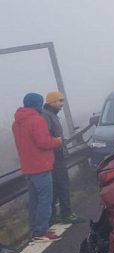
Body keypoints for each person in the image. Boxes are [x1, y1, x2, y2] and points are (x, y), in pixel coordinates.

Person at [12, 93, 64, 242]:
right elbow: (43, 143)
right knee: (45, 200)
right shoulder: (37, 120)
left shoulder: (17, 123)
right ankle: (41, 231)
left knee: (34, 200)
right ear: (38, 104)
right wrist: (57, 141)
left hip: (28, 167)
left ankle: (36, 228)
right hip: (41, 165)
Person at [42, 91, 84, 224]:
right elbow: (46, 137)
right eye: (59, 101)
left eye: (63, 100)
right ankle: (66, 214)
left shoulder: (50, 115)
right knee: (62, 185)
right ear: (52, 102)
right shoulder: (48, 116)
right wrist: (59, 141)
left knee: (55, 187)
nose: (62, 104)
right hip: (55, 156)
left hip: (55, 156)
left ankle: (54, 215)